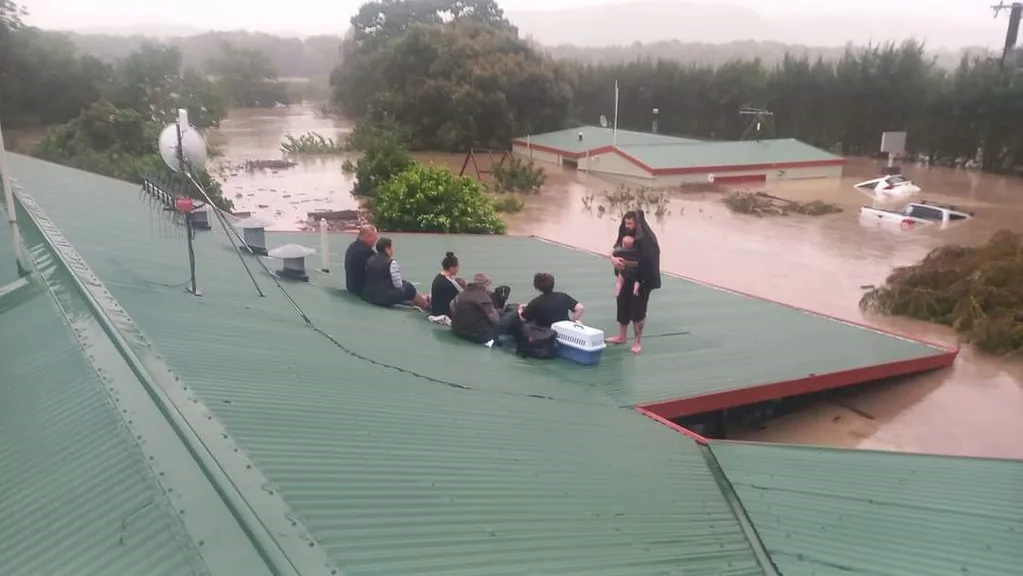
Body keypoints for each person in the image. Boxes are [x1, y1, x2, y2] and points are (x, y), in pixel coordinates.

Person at [608, 210, 661, 354]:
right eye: (626, 222)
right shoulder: (624, 233)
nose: (627, 225)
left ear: (637, 223)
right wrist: (613, 259)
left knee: (638, 310)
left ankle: (637, 341)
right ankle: (622, 336)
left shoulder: (647, 240)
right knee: (622, 303)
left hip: (643, 279)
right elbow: (614, 250)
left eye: (630, 223)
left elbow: (648, 262)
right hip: (626, 275)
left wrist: (629, 264)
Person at [361, 237, 431, 309]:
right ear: (387, 249)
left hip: (369, 295)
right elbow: (398, 285)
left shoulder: (370, 259)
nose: (392, 250)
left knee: (404, 286)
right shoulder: (391, 263)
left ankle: (420, 298)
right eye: (391, 247)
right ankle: (426, 306)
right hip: (382, 298)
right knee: (409, 288)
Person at [451, 273, 520, 346]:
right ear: (486, 285)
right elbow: (495, 319)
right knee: (514, 315)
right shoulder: (483, 298)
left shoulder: (461, 294)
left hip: (458, 330)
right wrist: (500, 312)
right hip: (478, 334)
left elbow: (452, 306)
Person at [520, 272, 585, 328]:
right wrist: (571, 323)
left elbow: (523, 319)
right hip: (563, 331)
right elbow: (580, 308)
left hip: (545, 334)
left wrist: (520, 310)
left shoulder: (535, 302)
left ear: (537, 287)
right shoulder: (563, 296)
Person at [344, 224, 378, 296]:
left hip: (351, 286)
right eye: (374, 237)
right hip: (362, 290)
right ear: (368, 236)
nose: (375, 241)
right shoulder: (368, 252)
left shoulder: (352, 247)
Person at [430, 251, 463, 318]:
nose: (458, 269)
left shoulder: (438, 278)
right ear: (451, 268)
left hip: (436, 312)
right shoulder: (448, 284)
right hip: (446, 315)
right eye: (457, 267)